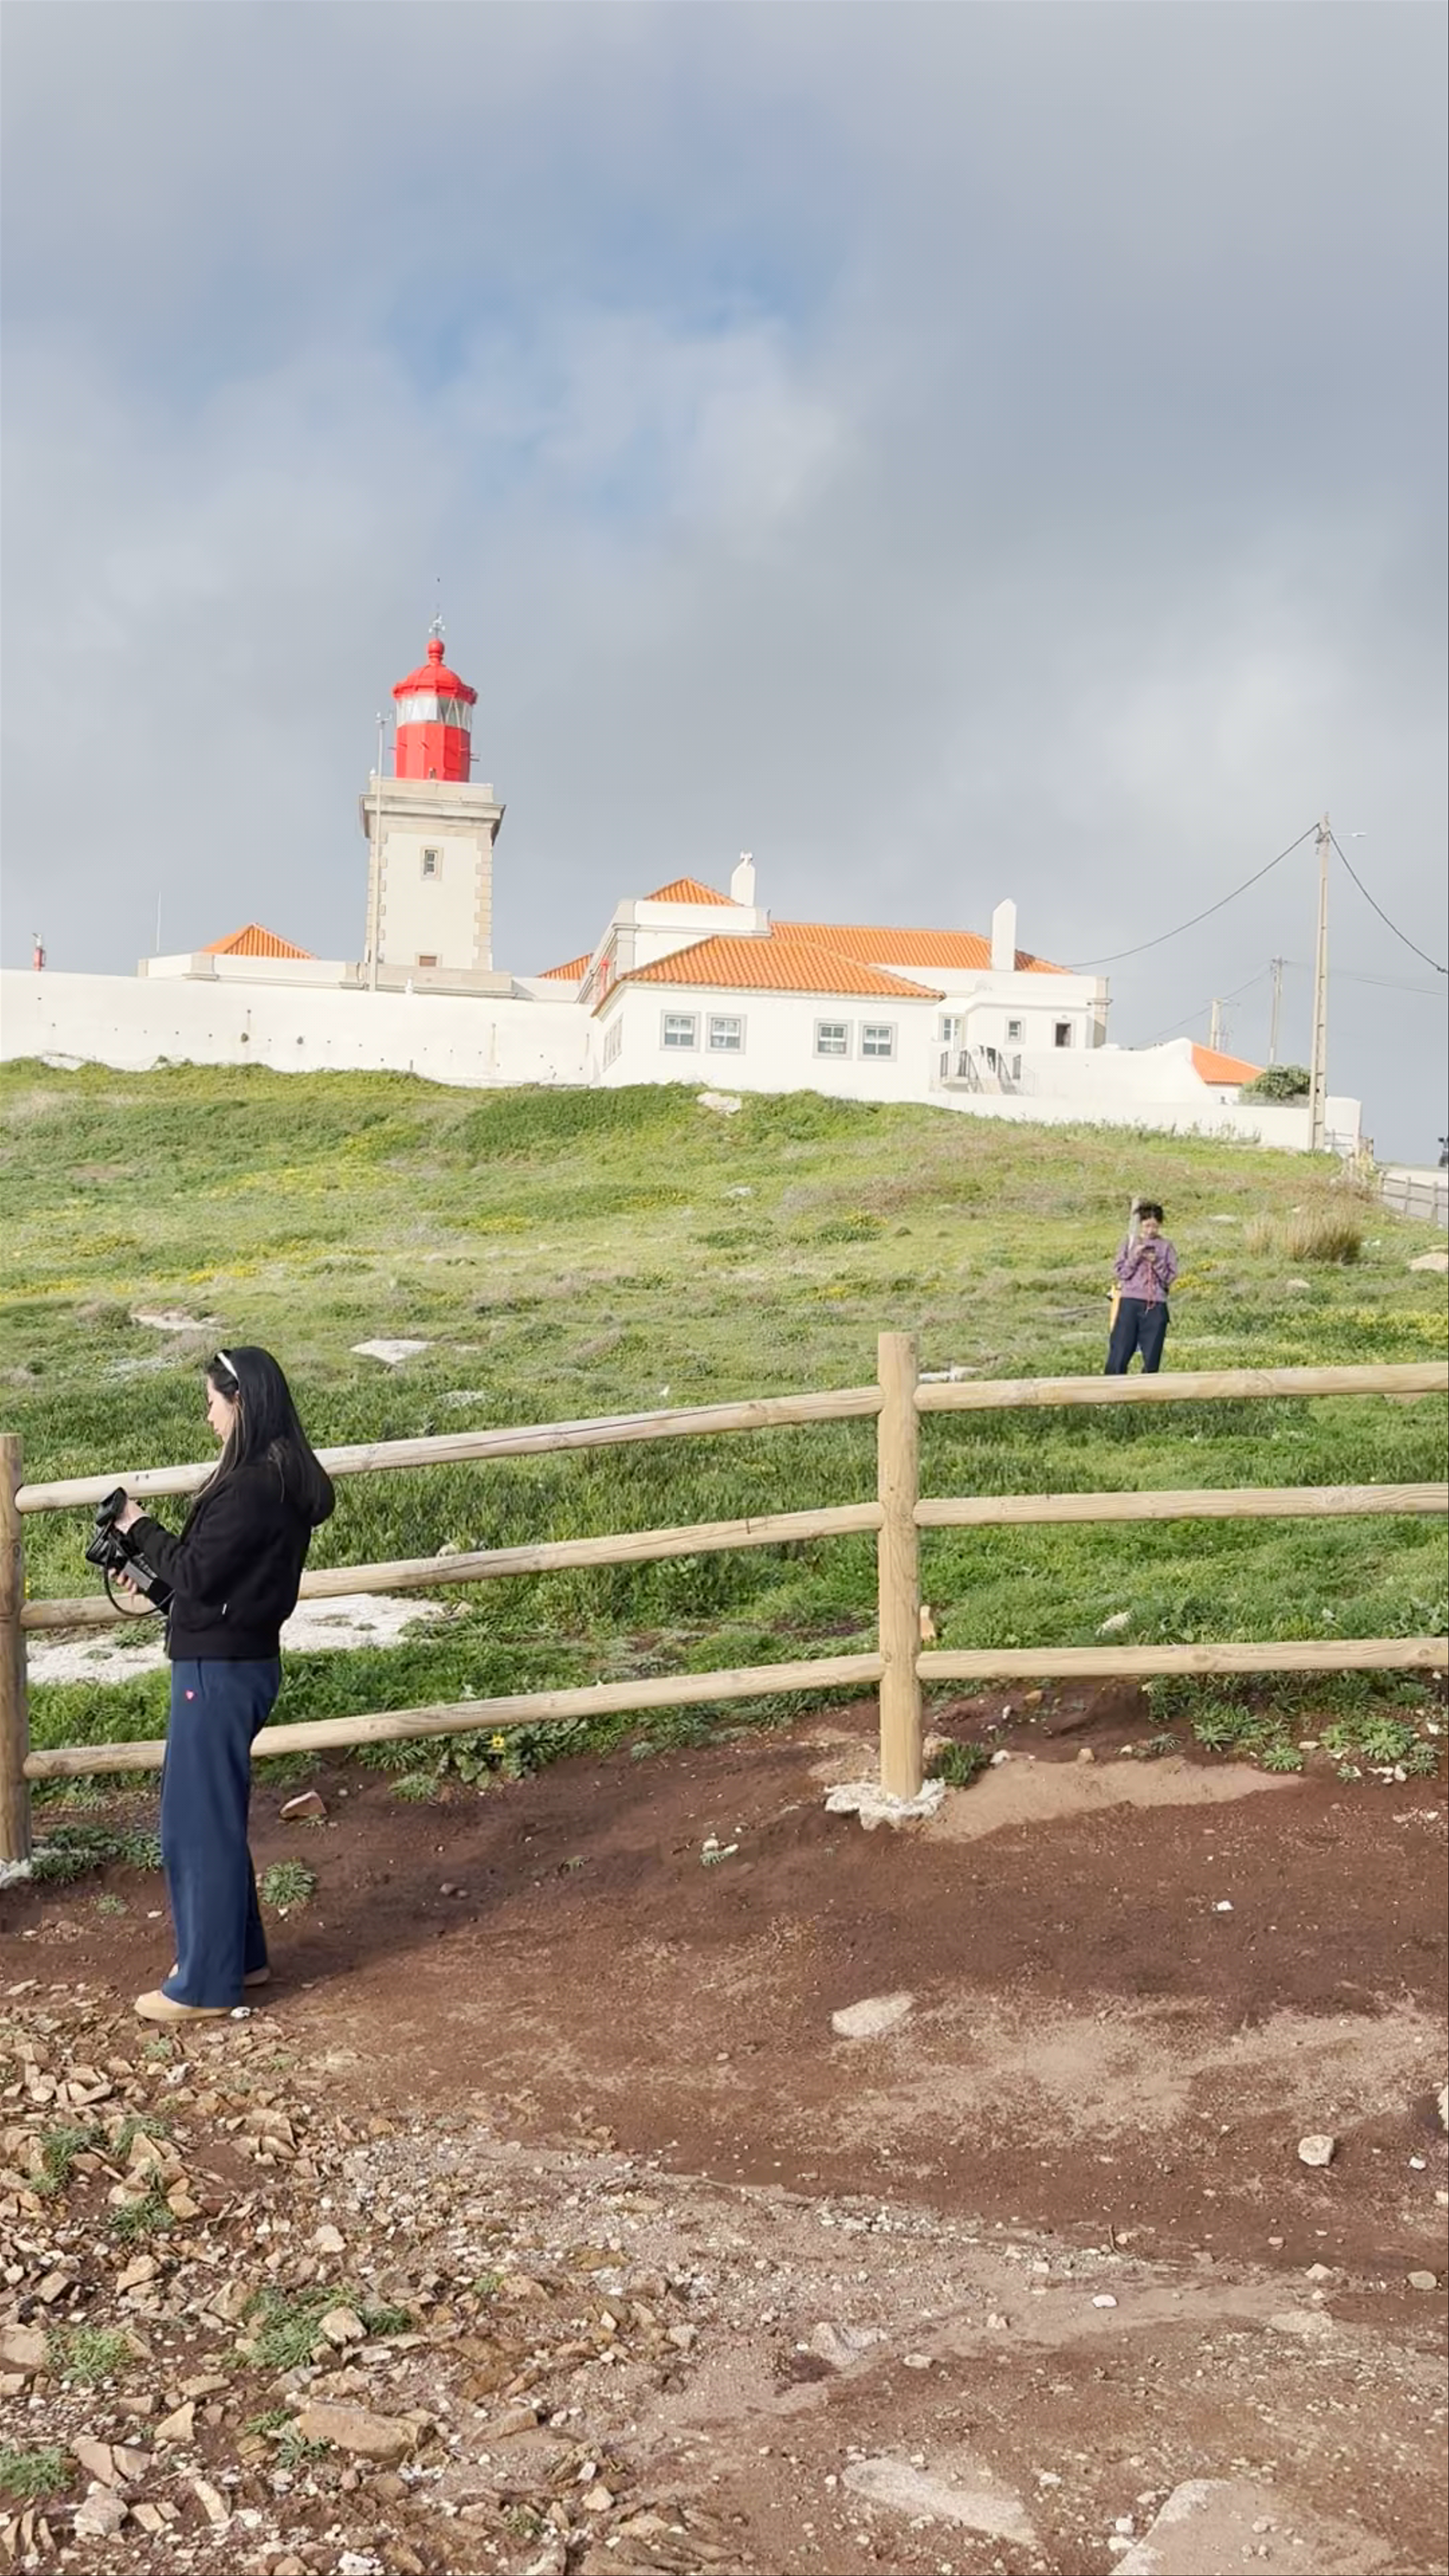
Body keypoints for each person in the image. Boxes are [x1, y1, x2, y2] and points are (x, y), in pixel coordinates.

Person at [112, 1349, 335, 2024]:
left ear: (241, 1402)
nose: (209, 1416)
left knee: (194, 1824)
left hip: (214, 1674)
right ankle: (241, 1957)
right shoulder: (283, 1479)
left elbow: (201, 1574)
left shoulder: (245, 1488)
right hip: (246, 1660)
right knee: (215, 1815)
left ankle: (206, 1985)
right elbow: (220, 1581)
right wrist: (156, 1580)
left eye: (213, 1402)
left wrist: (136, 1526)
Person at [1105, 1201, 1178, 1375]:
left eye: (1154, 1226)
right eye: (1147, 1226)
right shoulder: (1129, 1243)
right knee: (1121, 1347)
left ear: (1160, 1225)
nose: (1150, 1231)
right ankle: (1112, 1386)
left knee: (1153, 1350)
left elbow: (1170, 1277)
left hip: (1156, 1304)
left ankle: (1149, 1388)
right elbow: (1121, 1273)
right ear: (1141, 1225)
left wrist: (1157, 1262)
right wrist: (1135, 1257)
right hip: (1130, 1301)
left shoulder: (1166, 1246)